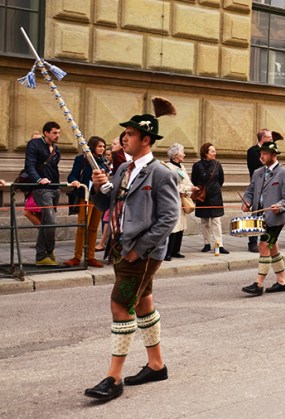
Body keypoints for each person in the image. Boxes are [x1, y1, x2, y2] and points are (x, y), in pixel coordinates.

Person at [84, 113, 179, 402]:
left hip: (142, 254)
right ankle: (156, 365)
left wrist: (140, 250)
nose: (125, 138)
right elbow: (105, 204)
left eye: (130, 133)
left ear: (146, 139)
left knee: (120, 305)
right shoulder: (124, 168)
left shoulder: (162, 173)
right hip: (121, 247)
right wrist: (97, 185)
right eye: (124, 133)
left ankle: (113, 379)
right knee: (143, 302)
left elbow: (169, 218)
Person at [241, 140, 285, 295]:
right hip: (260, 217)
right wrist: (246, 201)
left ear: (274, 155)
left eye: (265, 153)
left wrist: (280, 206)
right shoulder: (258, 172)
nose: (262, 156)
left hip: (275, 218)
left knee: (264, 245)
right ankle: (282, 282)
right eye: (261, 153)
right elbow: (250, 191)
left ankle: (258, 284)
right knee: (273, 248)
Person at [64, 136, 109, 268]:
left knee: (94, 228)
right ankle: (77, 257)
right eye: (100, 146)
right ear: (92, 146)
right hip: (86, 196)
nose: (102, 149)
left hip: (99, 197)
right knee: (82, 227)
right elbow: (72, 175)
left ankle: (91, 257)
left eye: (103, 146)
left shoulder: (104, 161)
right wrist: (75, 181)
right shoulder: (82, 159)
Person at [24, 121, 62, 266]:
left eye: (59, 133)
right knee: (51, 221)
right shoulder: (34, 144)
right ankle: (49, 250)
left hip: (55, 188)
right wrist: (39, 179)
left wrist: (58, 185)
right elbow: (29, 165)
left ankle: (41, 256)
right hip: (41, 188)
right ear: (46, 133)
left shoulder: (57, 149)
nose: (57, 135)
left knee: (47, 222)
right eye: (54, 133)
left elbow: (54, 168)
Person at [191, 143, 228, 254]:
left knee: (216, 221)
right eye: (212, 151)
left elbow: (221, 180)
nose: (214, 153)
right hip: (203, 197)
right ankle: (206, 244)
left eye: (214, 151)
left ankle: (219, 245)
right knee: (204, 221)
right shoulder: (197, 165)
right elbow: (194, 180)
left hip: (215, 196)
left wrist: (214, 188)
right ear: (205, 153)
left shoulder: (217, 164)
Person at [162, 143, 194, 261]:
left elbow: (187, 181)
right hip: (173, 201)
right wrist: (186, 189)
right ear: (176, 155)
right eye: (182, 152)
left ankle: (176, 250)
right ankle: (167, 252)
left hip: (182, 200)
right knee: (173, 227)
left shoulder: (182, 167)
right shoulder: (168, 167)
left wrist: (191, 188)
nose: (184, 154)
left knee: (181, 226)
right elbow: (171, 186)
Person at [245, 129, 271, 252]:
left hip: (269, 187)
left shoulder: (270, 151)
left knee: (267, 214)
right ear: (263, 138)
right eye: (269, 137)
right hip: (257, 186)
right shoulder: (252, 151)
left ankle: (265, 239)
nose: (271, 140)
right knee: (256, 214)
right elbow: (258, 167)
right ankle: (252, 242)